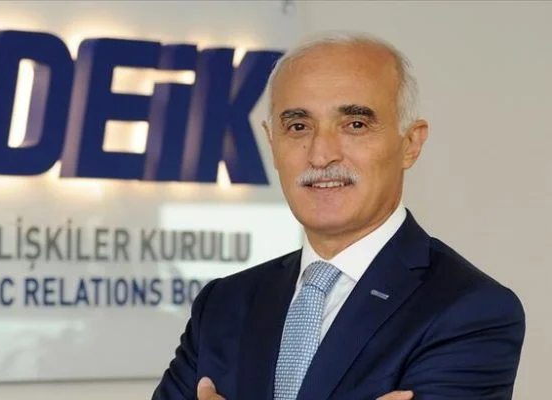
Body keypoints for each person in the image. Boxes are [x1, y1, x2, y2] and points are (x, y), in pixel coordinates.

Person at [152, 31, 525, 400]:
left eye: (355, 125)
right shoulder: (223, 304)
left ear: (410, 144)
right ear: (271, 142)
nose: (321, 155)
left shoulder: (470, 310)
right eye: (298, 127)